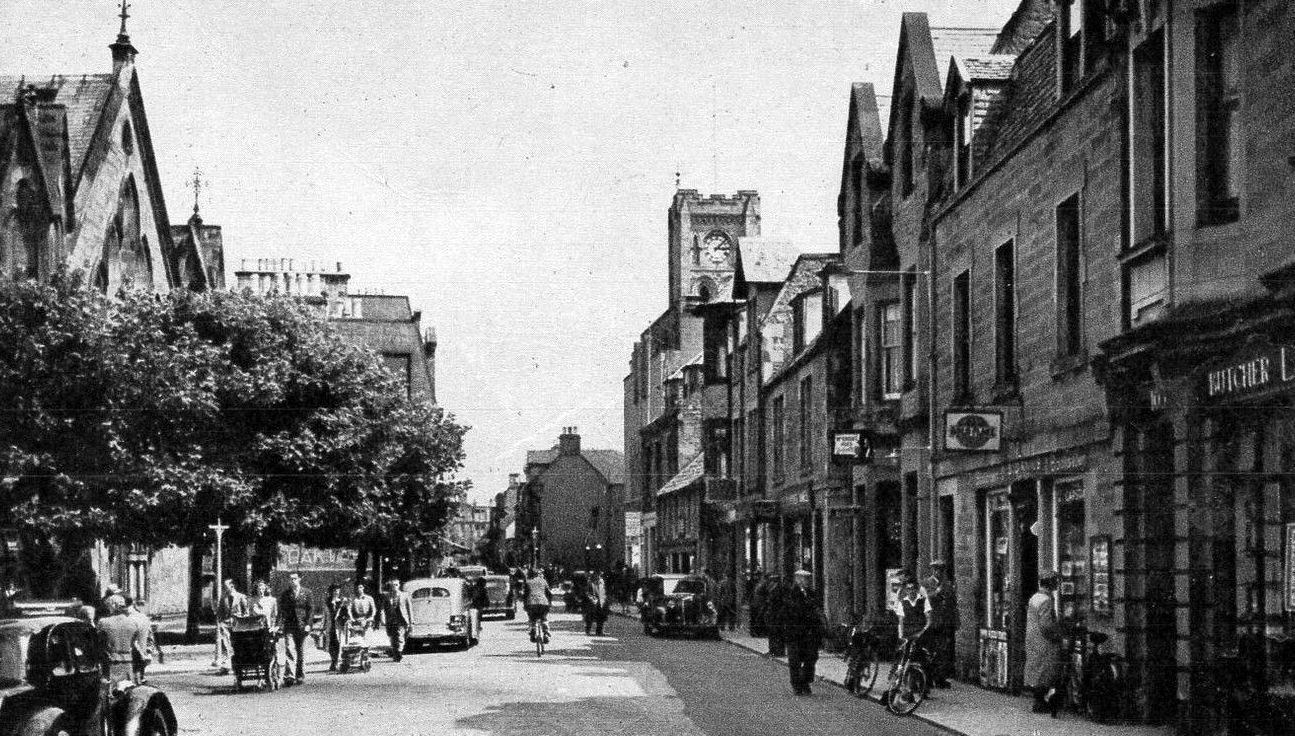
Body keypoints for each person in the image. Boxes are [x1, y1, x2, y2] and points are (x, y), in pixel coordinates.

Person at [776, 570, 824, 696]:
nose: (807, 581)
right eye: (804, 579)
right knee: (795, 661)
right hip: (794, 633)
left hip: (810, 633)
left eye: (808, 579)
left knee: (811, 658)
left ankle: (806, 681)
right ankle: (797, 685)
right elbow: (787, 612)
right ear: (797, 580)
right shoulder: (790, 594)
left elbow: (817, 609)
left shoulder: (812, 594)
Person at [1025, 572, 1063, 714]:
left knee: (1036, 670)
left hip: (1033, 638)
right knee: (1046, 671)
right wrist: (1056, 636)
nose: (1057, 584)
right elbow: (1046, 625)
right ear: (1050, 583)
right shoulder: (1046, 600)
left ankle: (1038, 701)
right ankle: (1040, 702)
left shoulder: (1035, 597)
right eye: (1055, 582)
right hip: (1044, 641)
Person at [923, 561, 959, 688]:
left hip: (944, 622)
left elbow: (953, 603)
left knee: (943, 651)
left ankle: (940, 678)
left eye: (941, 570)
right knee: (930, 651)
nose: (938, 572)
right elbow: (925, 598)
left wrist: (955, 620)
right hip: (932, 622)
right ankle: (927, 679)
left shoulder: (947, 584)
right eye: (936, 570)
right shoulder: (926, 583)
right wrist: (936, 592)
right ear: (932, 570)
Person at [276, 572, 315, 685]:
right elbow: (282, 611)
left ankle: (300, 675)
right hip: (289, 626)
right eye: (291, 579)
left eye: (294, 579)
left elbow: (310, 610)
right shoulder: (285, 594)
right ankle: (290, 675)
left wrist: (308, 624)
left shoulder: (307, 593)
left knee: (300, 650)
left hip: (302, 626)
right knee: (289, 648)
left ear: (299, 579)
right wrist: (279, 625)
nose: (292, 581)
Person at [96, 597, 146, 684]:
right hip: (128, 660)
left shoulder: (103, 622)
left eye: (108, 606)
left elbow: (99, 643)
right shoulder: (133, 622)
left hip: (110, 661)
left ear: (112, 606)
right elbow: (134, 643)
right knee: (127, 687)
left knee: (110, 688)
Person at [215, 578, 248, 675]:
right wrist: (221, 622)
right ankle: (226, 666)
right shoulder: (224, 598)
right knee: (225, 644)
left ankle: (237, 665)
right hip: (225, 625)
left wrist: (242, 621)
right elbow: (220, 611)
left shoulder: (241, 597)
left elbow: (246, 612)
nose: (225, 588)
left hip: (237, 624)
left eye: (226, 586)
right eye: (224, 587)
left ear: (232, 586)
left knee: (237, 645)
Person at [378, 580, 414, 662]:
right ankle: (396, 653)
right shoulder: (386, 596)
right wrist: (382, 618)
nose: (394, 586)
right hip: (391, 620)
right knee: (392, 638)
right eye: (393, 585)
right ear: (391, 586)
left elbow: (409, 609)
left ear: (399, 585)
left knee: (400, 636)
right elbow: (382, 608)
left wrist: (411, 621)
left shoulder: (405, 595)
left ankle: (399, 652)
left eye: (396, 585)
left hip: (401, 620)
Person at [126, 597, 154, 683]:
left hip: (130, 654)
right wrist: (149, 651)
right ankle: (140, 678)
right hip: (142, 652)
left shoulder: (127, 618)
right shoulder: (143, 617)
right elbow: (150, 636)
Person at [522, 567, 552, 643]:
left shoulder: (528, 582)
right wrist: (549, 603)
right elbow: (549, 593)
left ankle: (533, 630)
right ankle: (545, 631)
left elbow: (525, 595)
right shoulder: (543, 581)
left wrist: (525, 605)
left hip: (531, 603)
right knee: (543, 618)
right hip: (543, 603)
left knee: (532, 619)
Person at [322, 584, 348, 672]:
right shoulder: (327, 602)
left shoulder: (341, 602)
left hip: (338, 626)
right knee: (330, 645)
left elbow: (346, 614)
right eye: (334, 590)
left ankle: (335, 662)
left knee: (337, 643)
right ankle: (333, 660)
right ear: (331, 592)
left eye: (338, 590)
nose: (336, 592)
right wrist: (323, 627)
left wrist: (343, 618)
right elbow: (324, 615)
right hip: (330, 626)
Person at [762, 574, 786, 657]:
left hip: (776, 614)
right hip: (772, 613)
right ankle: (773, 650)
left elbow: (776, 601)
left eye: (772, 580)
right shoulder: (772, 588)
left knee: (776, 633)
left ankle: (777, 651)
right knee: (772, 633)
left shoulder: (778, 589)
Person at [583, 571, 609, 636]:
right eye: (596, 576)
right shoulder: (589, 584)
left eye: (598, 576)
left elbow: (605, 592)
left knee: (601, 618)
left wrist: (605, 600)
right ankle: (587, 630)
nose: (598, 578)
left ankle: (599, 631)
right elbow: (587, 593)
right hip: (592, 603)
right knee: (590, 618)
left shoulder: (602, 583)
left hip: (601, 603)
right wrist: (592, 599)